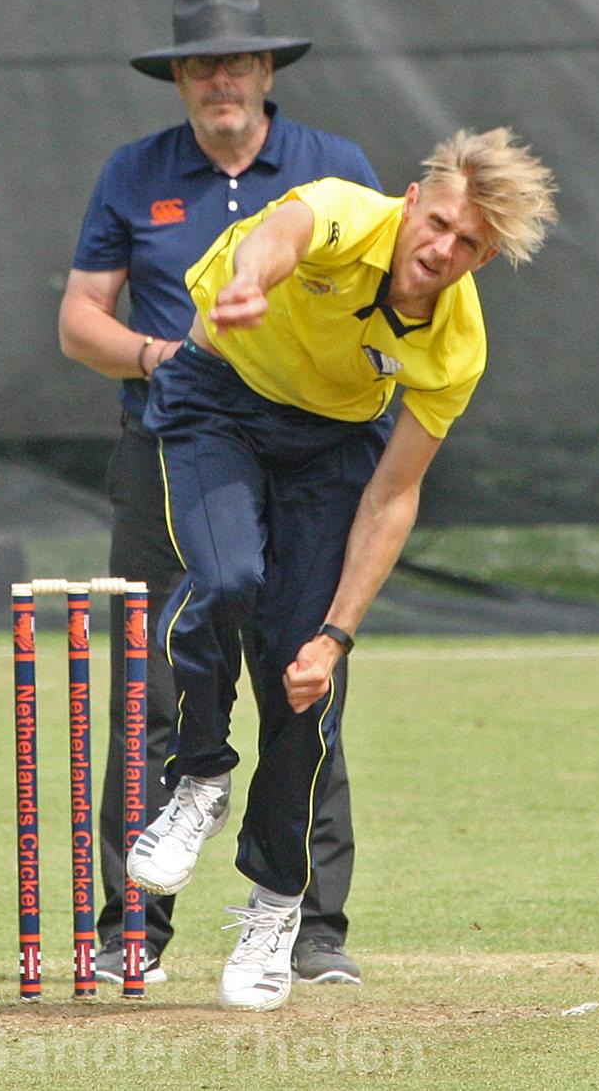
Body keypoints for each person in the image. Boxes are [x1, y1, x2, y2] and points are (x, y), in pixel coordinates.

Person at [125, 127, 558, 1011]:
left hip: (332, 446)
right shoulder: (345, 211)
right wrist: (249, 282)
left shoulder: (456, 344)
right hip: (218, 398)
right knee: (225, 580)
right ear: (410, 201)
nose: (440, 249)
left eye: (467, 243)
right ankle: (200, 777)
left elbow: (392, 494)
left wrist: (335, 635)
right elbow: (280, 234)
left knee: (302, 678)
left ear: (484, 258)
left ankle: (275, 908)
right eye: (437, 222)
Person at [59, 0, 384, 987]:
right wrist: (158, 356)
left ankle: (310, 928)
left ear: (266, 69)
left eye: (237, 62)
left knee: (303, 674)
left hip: (303, 457)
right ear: (180, 80)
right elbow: (79, 317)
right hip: (172, 446)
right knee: (153, 682)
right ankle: (134, 929)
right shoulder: (136, 171)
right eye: (201, 65)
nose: (220, 80)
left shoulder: (334, 167)